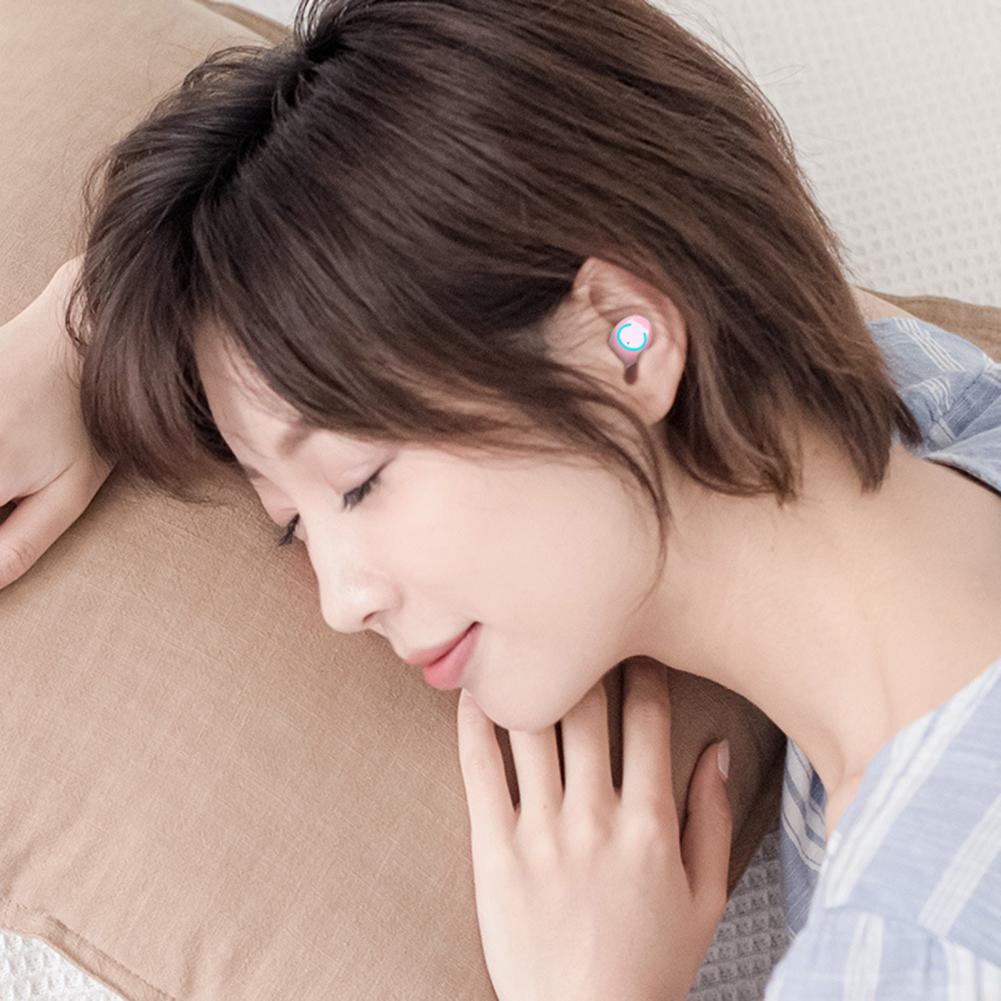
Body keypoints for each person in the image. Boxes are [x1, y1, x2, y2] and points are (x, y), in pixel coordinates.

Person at [2, 0, 998, 997]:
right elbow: (715, 233)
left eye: (358, 480)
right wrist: (98, 322)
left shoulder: (920, 951)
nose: (341, 600)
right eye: (295, 526)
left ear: (624, 341)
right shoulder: (942, 413)